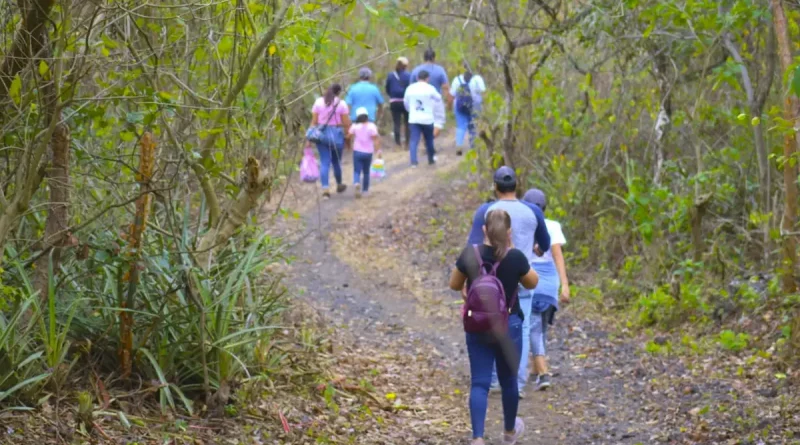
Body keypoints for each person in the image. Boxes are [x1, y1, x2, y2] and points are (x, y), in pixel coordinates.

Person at [450, 209, 537, 445]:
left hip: (477, 325)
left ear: (484, 230)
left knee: (479, 382)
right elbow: (532, 282)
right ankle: (509, 433)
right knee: (508, 380)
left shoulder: (470, 254)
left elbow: (453, 283)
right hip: (509, 325)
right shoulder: (516, 257)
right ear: (509, 233)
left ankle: (477, 438)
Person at [465, 167, 551, 396]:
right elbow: (545, 241)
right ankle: (516, 384)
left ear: (495, 186)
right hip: (521, 277)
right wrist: (536, 251)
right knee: (520, 329)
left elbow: (474, 246)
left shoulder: (486, 210)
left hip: (490, 280)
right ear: (517, 185)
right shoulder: (533, 211)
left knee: (491, 324)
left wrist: (468, 281)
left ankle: (493, 380)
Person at [522, 188, 570, 391]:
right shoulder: (553, 226)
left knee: (532, 326)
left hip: (531, 279)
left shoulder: (522, 228)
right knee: (540, 327)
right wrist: (564, 285)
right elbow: (558, 256)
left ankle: (543, 373)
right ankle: (535, 369)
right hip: (550, 282)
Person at [310, 84, 350, 198]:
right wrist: (347, 137)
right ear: (339, 92)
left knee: (324, 162)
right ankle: (339, 184)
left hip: (321, 135)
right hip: (336, 135)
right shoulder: (341, 104)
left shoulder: (318, 102)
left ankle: (325, 189)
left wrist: (309, 136)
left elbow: (314, 121)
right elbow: (346, 123)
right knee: (336, 162)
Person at [403, 70, 442, 167]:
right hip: (427, 118)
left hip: (414, 118)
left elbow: (406, 102)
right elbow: (438, 98)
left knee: (414, 140)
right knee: (429, 139)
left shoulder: (410, 88)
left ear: (417, 78)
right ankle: (431, 159)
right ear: (427, 78)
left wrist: (410, 110)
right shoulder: (430, 88)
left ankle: (413, 162)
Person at [449, 65, 486, 155]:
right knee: (473, 127)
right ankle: (473, 147)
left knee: (461, 126)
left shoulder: (456, 79)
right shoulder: (477, 79)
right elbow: (483, 92)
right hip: (475, 105)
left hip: (460, 106)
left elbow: (452, 94)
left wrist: (449, 106)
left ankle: (459, 146)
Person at [348, 107, 380, 198]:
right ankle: (365, 190)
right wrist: (378, 150)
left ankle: (356, 182)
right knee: (366, 172)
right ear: (367, 116)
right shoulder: (372, 126)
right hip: (368, 152)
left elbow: (349, 136)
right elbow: (375, 140)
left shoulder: (355, 126)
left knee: (357, 170)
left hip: (357, 151)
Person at [385, 57, 411, 148]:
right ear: (406, 66)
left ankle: (397, 143)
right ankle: (407, 143)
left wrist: (392, 95)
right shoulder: (408, 75)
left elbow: (387, 88)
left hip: (394, 101)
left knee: (396, 123)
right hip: (405, 101)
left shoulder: (390, 75)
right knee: (407, 122)